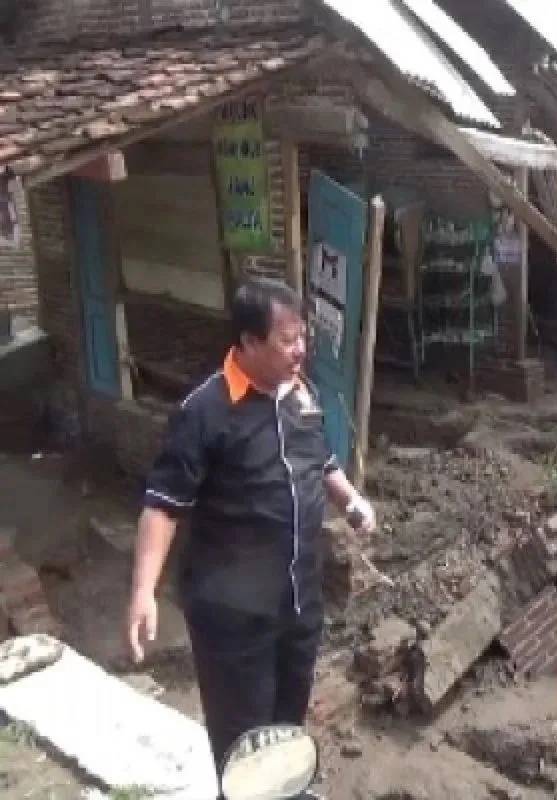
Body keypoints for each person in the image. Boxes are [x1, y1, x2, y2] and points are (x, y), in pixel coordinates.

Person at [126, 278, 376, 779]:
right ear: (248, 342)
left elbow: (320, 460)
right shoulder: (205, 411)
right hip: (233, 619)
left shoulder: (302, 396)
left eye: (302, 336)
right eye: (287, 340)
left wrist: (350, 499)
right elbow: (163, 506)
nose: (300, 349)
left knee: (287, 730)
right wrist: (143, 591)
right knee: (244, 746)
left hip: (299, 604)